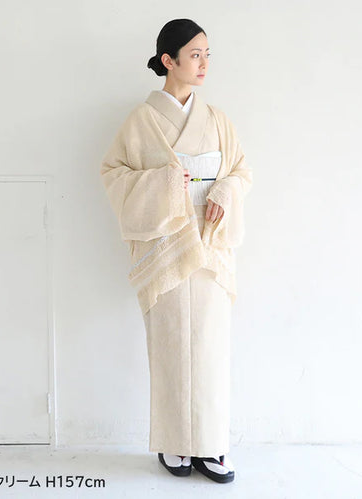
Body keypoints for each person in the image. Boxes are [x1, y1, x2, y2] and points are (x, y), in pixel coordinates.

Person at [100, 18, 253, 484]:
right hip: (166, 242)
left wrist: (224, 191)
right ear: (168, 60)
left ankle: (212, 444)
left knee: (211, 347)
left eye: (207, 54)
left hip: (209, 241)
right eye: (194, 55)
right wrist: (167, 183)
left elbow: (241, 171)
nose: (204, 63)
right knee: (170, 345)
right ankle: (173, 442)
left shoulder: (217, 120)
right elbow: (113, 174)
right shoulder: (141, 120)